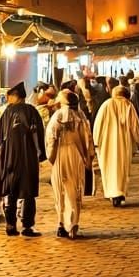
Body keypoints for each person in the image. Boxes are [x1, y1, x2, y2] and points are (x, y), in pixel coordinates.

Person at [0, 81, 46, 237]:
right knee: (27, 190)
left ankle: (10, 224)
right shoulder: (31, 111)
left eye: (9, 96)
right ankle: (27, 225)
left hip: (8, 157)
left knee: (10, 188)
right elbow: (38, 134)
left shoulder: (5, 114)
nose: (7, 98)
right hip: (27, 156)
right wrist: (40, 154)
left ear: (15, 96)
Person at [46, 90, 95, 239]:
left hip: (61, 155)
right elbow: (88, 140)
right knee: (75, 190)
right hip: (76, 156)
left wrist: (51, 156)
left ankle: (61, 223)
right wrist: (89, 158)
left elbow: (50, 138)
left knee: (60, 190)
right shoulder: (81, 117)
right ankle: (72, 224)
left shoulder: (57, 116)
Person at [93, 85, 139, 207]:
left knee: (108, 168)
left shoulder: (106, 104)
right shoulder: (128, 105)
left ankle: (112, 193)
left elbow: (98, 124)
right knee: (121, 169)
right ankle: (120, 193)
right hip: (123, 143)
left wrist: (95, 141)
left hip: (106, 143)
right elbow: (134, 125)